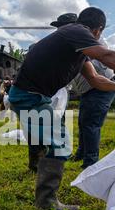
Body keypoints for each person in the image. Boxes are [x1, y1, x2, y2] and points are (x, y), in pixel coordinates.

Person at [9, 7, 115, 210]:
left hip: (33, 96)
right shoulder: (76, 31)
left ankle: (44, 191)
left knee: (53, 140)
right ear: (98, 30)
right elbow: (107, 55)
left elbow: (96, 79)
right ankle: (46, 202)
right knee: (61, 143)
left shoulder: (78, 50)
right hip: (29, 97)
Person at [25, 13, 79, 172]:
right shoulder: (45, 46)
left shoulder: (73, 47)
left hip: (58, 93)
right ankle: (38, 161)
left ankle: (53, 159)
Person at [71, 40, 115, 169]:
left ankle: (91, 162)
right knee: (83, 123)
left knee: (91, 124)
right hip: (88, 90)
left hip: (101, 87)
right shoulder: (69, 41)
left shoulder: (90, 40)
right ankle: (81, 154)